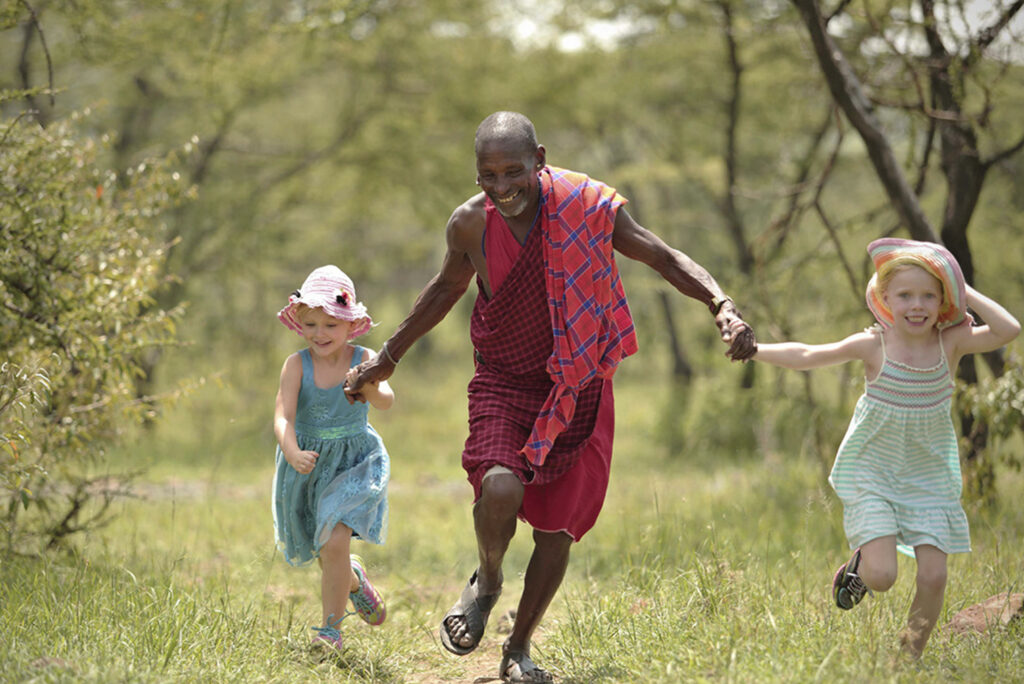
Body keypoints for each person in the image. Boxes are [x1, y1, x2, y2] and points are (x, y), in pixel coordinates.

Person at [345, 111, 755, 682]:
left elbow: (661, 256)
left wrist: (721, 306)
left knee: (556, 532)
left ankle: (518, 648)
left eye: (513, 171)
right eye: (487, 175)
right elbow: (443, 291)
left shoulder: (586, 206)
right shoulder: (469, 225)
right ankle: (488, 580)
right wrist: (384, 359)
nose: (502, 186)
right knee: (499, 487)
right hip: (504, 382)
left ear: (540, 158)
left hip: (579, 382)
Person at [751, 238, 1020, 660]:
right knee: (882, 576)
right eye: (906, 295)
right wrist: (754, 350)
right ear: (885, 299)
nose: (917, 305)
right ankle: (859, 567)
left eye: (929, 295)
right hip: (872, 472)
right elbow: (807, 354)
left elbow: (1009, 330)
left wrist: (963, 290)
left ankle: (908, 657)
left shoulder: (950, 342)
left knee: (934, 576)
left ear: (942, 299)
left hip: (927, 475)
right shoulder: (873, 344)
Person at [272, 265, 392, 656]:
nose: (320, 334)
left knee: (335, 538)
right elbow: (282, 416)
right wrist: (291, 450)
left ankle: (330, 631)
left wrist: (366, 384)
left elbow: (387, 400)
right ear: (300, 324)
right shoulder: (296, 365)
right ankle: (353, 581)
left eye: (330, 324)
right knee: (330, 552)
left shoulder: (365, 358)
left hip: (354, 463)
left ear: (350, 324)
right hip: (309, 465)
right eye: (311, 324)